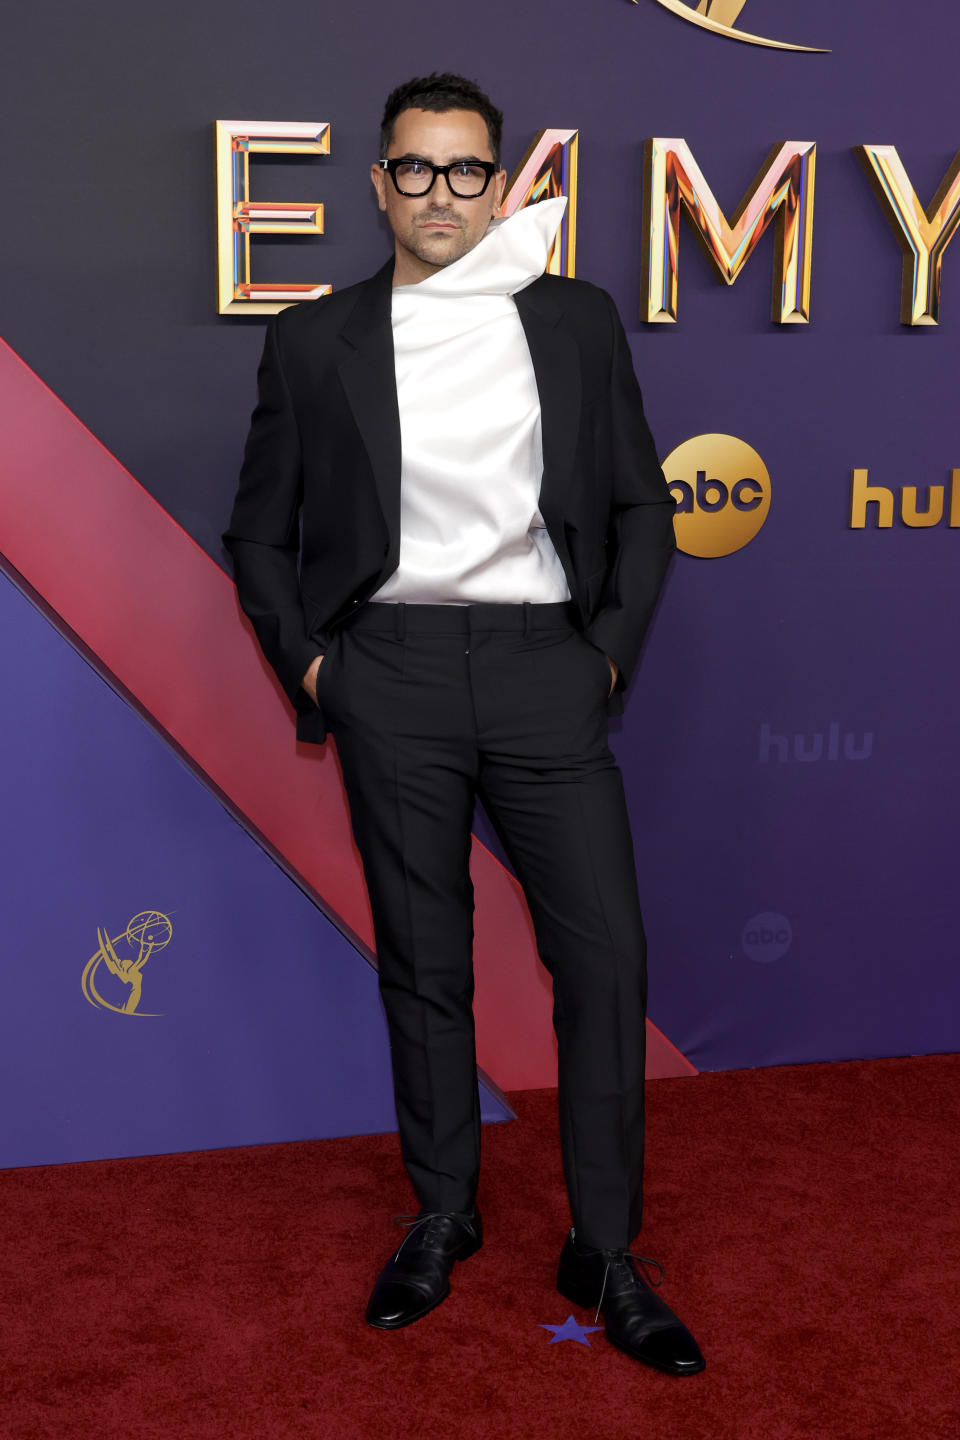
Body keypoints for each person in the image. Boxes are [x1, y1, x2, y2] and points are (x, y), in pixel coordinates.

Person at [222, 72, 704, 1378]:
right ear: (379, 184)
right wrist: (319, 671)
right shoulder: (315, 339)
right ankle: (443, 1213)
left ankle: (604, 1248)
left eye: (466, 170)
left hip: (548, 661)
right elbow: (259, 532)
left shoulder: (576, 320)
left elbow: (647, 508)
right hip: (394, 671)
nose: (442, 193)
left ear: (501, 184)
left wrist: (603, 656)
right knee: (425, 962)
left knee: (604, 962)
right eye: (416, 169)